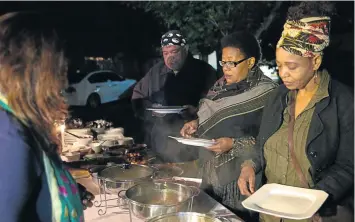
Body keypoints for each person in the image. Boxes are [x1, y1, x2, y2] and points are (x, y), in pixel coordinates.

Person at [237, 3, 354, 222]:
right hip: (269, 214)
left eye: (292, 66)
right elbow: (261, 143)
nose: (283, 74)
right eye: (279, 65)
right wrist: (249, 166)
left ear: (315, 61)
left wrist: (317, 199)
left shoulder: (344, 102)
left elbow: (349, 166)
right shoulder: (277, 97)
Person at [0, 12, 92, 221]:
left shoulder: (14, 119)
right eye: (59, 67)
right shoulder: (9, 134)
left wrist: (71, 190)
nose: (63, 78)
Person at [180, 31, 278, 221]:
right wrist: (195, 124)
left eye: (232, 63)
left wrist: (233, 144)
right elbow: (209, 114)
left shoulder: (269, 93)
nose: (226, 68)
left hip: (240, 178)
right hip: (209, 173)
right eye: (223, 62)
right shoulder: (220, 86)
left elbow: (271, 141)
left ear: (250, 62)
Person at [132, 30, 217, 162]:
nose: (170, 57)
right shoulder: (156, 72)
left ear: (186, 49)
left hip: (192, 141)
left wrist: (197, 111)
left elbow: (218, 102)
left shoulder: (204, 71)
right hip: (160, 141)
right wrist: (151, 111)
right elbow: (138, 96)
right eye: (165, 53)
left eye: (174, 52)